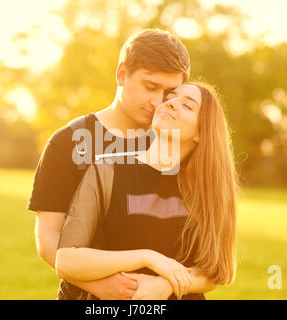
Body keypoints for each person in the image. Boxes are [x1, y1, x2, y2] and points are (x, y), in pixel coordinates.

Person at [28, 28, 191, 299]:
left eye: (169, 92)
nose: (157, 102)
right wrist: (101, 285)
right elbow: (48, 238)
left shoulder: (177, 142)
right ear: (122, 74)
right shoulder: (67, 142)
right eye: (150, 86)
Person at [55, 82, 238, 300]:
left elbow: (214, 272)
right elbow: (66, 261)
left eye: (187, 106)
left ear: (201, 132)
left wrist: (167, 284)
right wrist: (147, 258)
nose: (170, 104)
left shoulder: (206, 190)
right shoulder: (106, 171)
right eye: (170, 97)